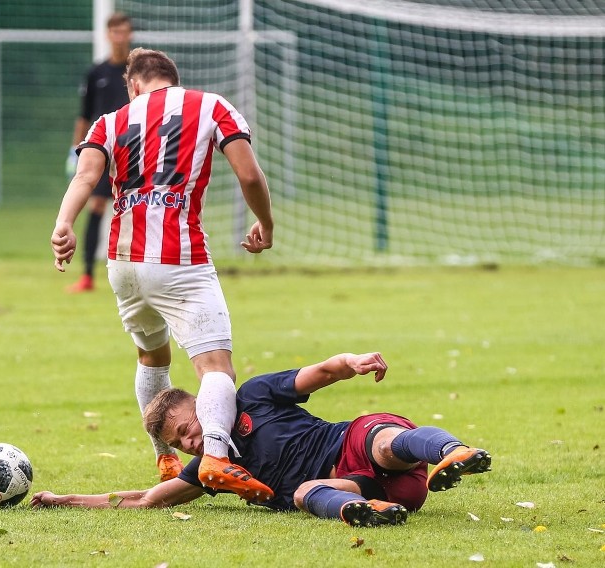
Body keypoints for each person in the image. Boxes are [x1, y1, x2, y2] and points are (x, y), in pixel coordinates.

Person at [51, 47, 276, 500]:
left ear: (133, 85)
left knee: (152, 358)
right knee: (216, 368)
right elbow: (249, 175)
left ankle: (165, 455)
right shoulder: (211, 105)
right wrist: (266, 225)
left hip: (123, 263)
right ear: (172, 78)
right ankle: (214, 456)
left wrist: (63, 224)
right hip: (179, 260)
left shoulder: (109, 121)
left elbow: (84, 177)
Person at [30, 352, 492, 527]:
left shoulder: (251, 396)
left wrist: (350, 361)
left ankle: (453, 453)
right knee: (308, 493)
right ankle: (372, 513)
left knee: (386, 444)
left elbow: (319, 373)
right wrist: (64, 500)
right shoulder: (213, 468)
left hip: (348, 444)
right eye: (180, 442)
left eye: (188, 428)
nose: (191, 443)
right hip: (370, 489)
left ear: (202, 404)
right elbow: (148, 500)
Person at [64, 12, 134, 293]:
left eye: (124, 32)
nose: (119, 37)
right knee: (95, 206)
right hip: (102, 151)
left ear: (130, 35)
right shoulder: (96, 73)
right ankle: (88, 276)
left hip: (133, 150)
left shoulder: (138, 70)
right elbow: (84, 115)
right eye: (115, 32)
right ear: (108, 35)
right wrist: (75, 149)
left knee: (134, 209)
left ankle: (136, 273)